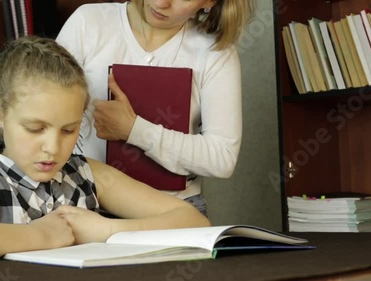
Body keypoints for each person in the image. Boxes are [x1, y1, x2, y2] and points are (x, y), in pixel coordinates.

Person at [0, 37, 210, 264]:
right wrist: (41, 235)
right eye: (35, 128)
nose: (53, 148)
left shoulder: (86, 175)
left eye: (68, 130)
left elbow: (193, 220)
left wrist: (105, 230)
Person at [56, 0, 254, 215]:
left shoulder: (215, 51)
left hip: (172, 213)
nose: (161, 3)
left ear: (209, 2)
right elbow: (43, 113)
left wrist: (134, 130)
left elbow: (222, 158)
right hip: (85, 205)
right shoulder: (88, 22)